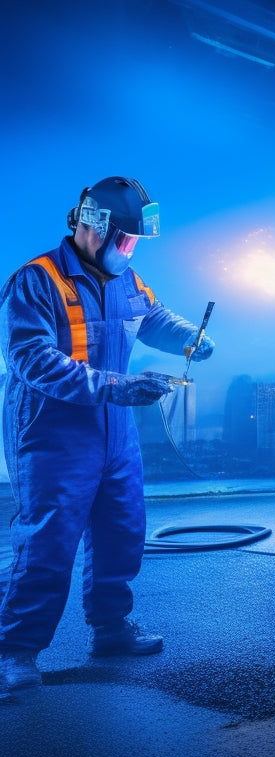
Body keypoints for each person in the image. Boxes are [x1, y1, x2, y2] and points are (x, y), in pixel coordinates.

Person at [0, 176, 215, 691]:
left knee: (122, 529)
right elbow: (31, 359)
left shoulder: (128, 281)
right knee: (48, 542)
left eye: (137, 241)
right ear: (93, 226)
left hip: (115, 431)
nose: (130, 249)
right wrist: (117, 385)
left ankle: (111, 629)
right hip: (52, 434)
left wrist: (191, 337)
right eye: (125, 239)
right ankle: (16, 652)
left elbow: (153, 318)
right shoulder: (37, 281)